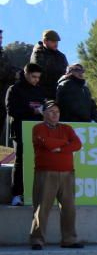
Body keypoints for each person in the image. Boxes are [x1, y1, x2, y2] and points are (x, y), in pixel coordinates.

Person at [28, 101, 83, 249]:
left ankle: (69, 239)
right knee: (42, 207)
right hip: (46, 173)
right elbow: (47, 143)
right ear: (44, 113)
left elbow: (77, 144)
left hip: (67, 174)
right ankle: (37, 240)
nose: (55, 114)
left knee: (69, 208)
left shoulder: (66, 128)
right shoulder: (38, 128)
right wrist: (65, 144)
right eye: (51, 111)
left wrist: (60, 146)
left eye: (57, 112)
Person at [5, 64, 46, 206]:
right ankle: (16, 195)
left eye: (38, 77)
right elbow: (11, 110)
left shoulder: (40, 90)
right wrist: (32, 111)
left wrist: (44, 111)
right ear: (26, 74)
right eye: (34, 77)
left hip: (38, 131)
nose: (36, 80)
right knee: (20, 161)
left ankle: (35, 193)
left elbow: (45, 107)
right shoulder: (14, 89)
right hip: (20, 130)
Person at [29, 29, 69, 100]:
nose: (56, 44)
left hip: (60, 91)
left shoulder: (61, 56)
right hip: (43, 93)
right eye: (53, 41)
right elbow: (39, 74)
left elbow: (67, 72)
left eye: (57, 42)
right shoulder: (38, 54)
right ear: (45, 41)